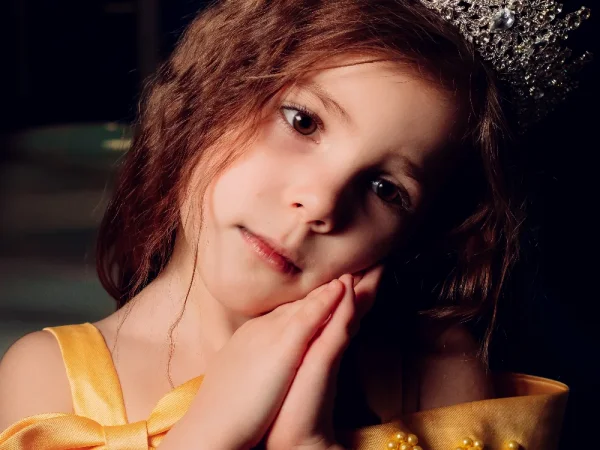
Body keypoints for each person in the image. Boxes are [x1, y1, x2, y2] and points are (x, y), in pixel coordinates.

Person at [0, 0, 590, 449]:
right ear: (209, 99)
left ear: (416, 234)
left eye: (385, 189)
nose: (320, 202)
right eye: (302, 122)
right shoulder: (50, 375)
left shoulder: (434, 368)